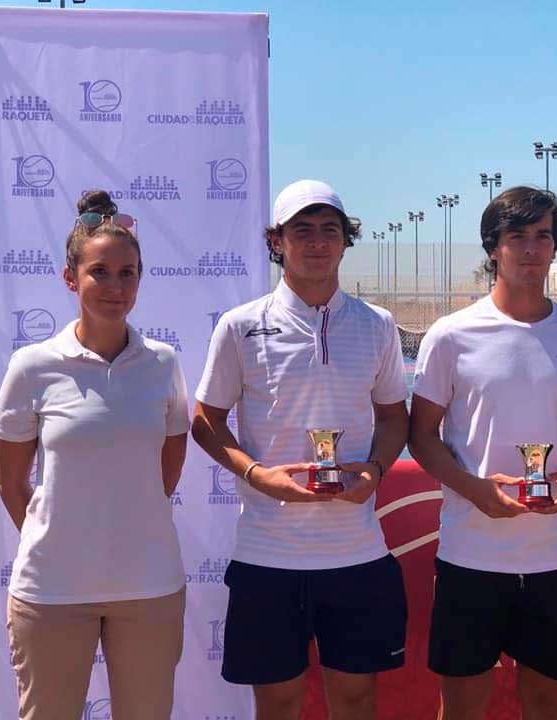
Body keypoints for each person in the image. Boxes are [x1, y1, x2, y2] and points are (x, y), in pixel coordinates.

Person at [192, 179, 409, 720]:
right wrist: (257, 474)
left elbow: (394, 417)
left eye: (329, 230)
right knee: (279, 703)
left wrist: (377, 469)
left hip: (357, 556)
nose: (317, 242)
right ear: (277, 241)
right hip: (268, 556)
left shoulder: (377, 325)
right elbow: (205, 421)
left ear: (344, 241)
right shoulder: (240, 326)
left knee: (356, 702)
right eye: (302, 231)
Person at [409, 186, 557, 720]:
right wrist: (474, 490)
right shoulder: (450, 335)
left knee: (546, 706)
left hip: (556, 559)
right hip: (470, 558)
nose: (530, 249)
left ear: (555, 246)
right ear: (493, 247)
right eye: (516, 236)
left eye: (542, 236)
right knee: (462, 707)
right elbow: (421, 435)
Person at [0, 190, 189, 720]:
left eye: (128, 274)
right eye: (99, 272)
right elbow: (12, 483)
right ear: (69, 278)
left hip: (149, 587)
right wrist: (58, 535)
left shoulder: (163, 363)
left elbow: (167, 467)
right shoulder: (32, 366)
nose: (114, 287)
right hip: (51, 591)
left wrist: (129, 519)